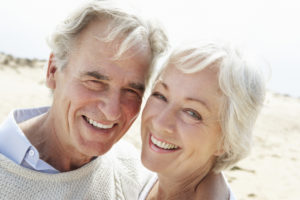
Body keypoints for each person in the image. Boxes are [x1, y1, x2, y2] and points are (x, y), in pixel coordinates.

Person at [0, 0, 168, 199]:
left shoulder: (135, 174)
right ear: (53, 70)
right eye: (95, 81)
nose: (112, 111)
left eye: (131, 91)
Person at [139, 41, 266, 199]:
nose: (160, 123)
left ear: (226, 140)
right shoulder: (141, 179)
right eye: (160, 95)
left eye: (191, 113)